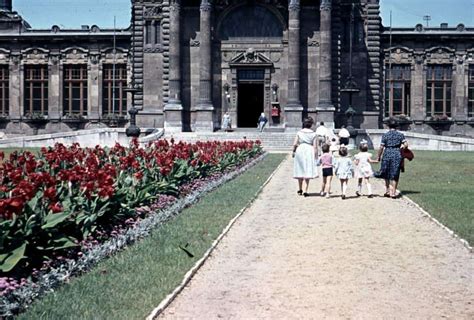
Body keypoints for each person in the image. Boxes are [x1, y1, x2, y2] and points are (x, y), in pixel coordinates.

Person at [376, 119, 408, 198]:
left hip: (387, 153)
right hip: (397, 154)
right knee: (395, 173)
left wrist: (378, 156)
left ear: (388, 126)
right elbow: (406, 144)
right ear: (396, 126)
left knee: (386, 172)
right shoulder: (400, 135)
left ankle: (387, 191)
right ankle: (393, 192)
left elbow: (381, 147)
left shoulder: (385, 135)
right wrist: (401, 148)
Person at [292, 117, 318, 197]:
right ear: (311, 125)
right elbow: (315, 146)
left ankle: (300, 189)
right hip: (309, 150)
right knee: (307, 169)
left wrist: (293, 151)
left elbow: (295, 143)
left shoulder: (299, 132)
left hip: (300, 149)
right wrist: (316, 156)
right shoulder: (314, 134)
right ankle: (305, 190)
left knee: (300, 169)